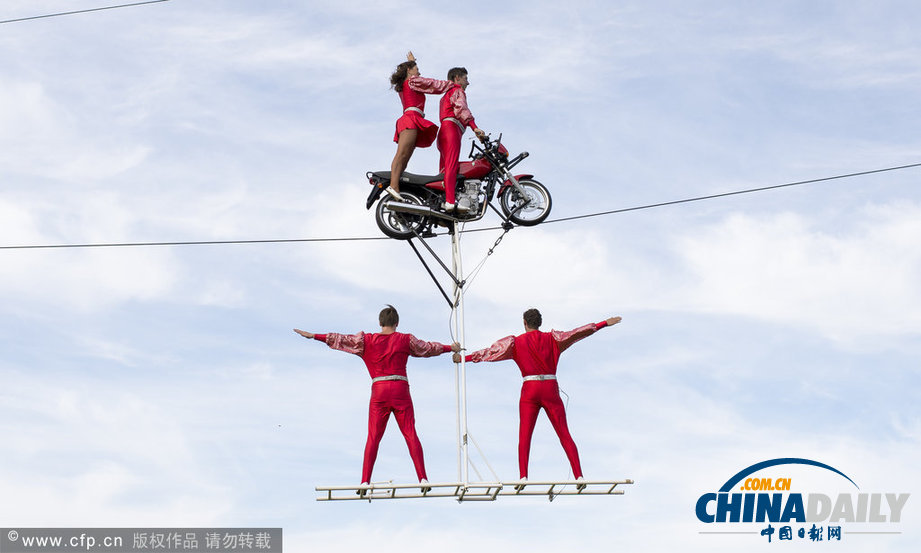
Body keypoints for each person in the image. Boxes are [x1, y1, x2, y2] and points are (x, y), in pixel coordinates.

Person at [294, 305, 460, 493]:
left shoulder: (366, 340)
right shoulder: (406, 340)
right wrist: (450, 348)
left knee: (373, 437)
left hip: (379, 390)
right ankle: (423, 478)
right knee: (410, 433)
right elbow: (428, 348)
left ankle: (365, 481)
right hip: (400, 389)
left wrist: (315, 336)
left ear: (380, 323)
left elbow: (340, 339)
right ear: (397, 323)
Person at [455, 309, 622, 489]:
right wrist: (602, 324)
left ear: (525, 323)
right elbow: (577, 333)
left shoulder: (515, 342)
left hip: (530, 389)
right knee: (564, 433)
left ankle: (523, 477)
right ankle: (579, 476)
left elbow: (490, 352)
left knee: (525, 435)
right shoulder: (554, 338)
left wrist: (464, 358)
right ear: (539, 323)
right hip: (550, 388)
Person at [388, 52, 454, 201]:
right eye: (416, 69)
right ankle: (393, 185)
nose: (419, 72)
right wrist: (451, 84)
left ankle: (396, 185)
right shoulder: (412, 81)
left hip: (413, 118)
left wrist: (411, 62)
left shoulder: (405, 84)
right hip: (410, 119)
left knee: (406, 156)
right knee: (402, 154)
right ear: (409, 71)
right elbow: (432, 85)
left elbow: (415, 77)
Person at [436, 66, 486, 213]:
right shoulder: (457, 90)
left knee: (444, 170)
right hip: (452, 130)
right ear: (457, 78)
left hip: (444, 132)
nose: (467, 83)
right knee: (451, 166)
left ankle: (442, 200)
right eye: (466, 78)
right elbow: (462, 108)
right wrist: (475, 127)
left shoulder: (445, 95)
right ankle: (450, 201)